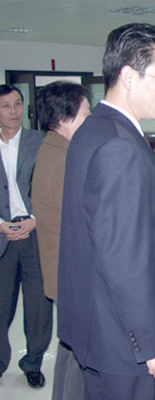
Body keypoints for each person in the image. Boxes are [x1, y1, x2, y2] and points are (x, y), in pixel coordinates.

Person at [57, 23, 155, 400]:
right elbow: (124, 259)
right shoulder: (119, 146)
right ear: (129, 76)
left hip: (103, 331)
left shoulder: (94, 129)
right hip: (128, 344)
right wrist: (153, 343)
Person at [31, 80, 91, 399]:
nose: (90, 119)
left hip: (63, 273)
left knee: (70, 347)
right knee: (81, 352)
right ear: (65, 118)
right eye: (86, 112)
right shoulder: (66, 159)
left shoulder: (52, 148)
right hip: (74, 274)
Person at [0, 84, 53, 389]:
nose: (14, 111)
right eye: (6, 106)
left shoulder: (39, 142)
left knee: (38, 308)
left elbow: (53, 189)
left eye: (18, 104)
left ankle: (32, 363)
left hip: (34, 236)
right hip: (3, 238)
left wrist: (35, 220)